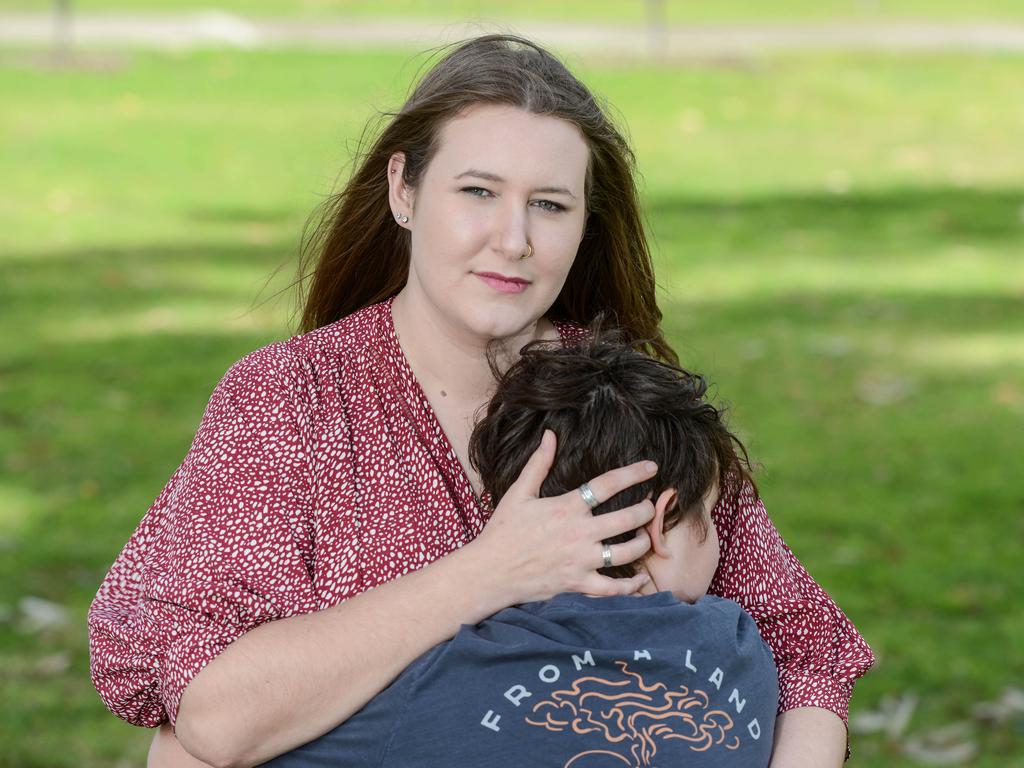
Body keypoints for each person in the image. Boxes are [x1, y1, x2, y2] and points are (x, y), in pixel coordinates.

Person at [87, 34, 873, 768]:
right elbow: (210, 722)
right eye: (478, 191)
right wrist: (487, 573)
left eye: (550, 205)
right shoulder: (291, 402)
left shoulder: (627, 400)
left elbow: (806, 650)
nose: (513, 239)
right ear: (404, 190)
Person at [263, 326, 782, 768]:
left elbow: (253, 743)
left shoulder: (444, 675)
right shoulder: (742, 654)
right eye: (711, 516)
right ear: (662, 523)